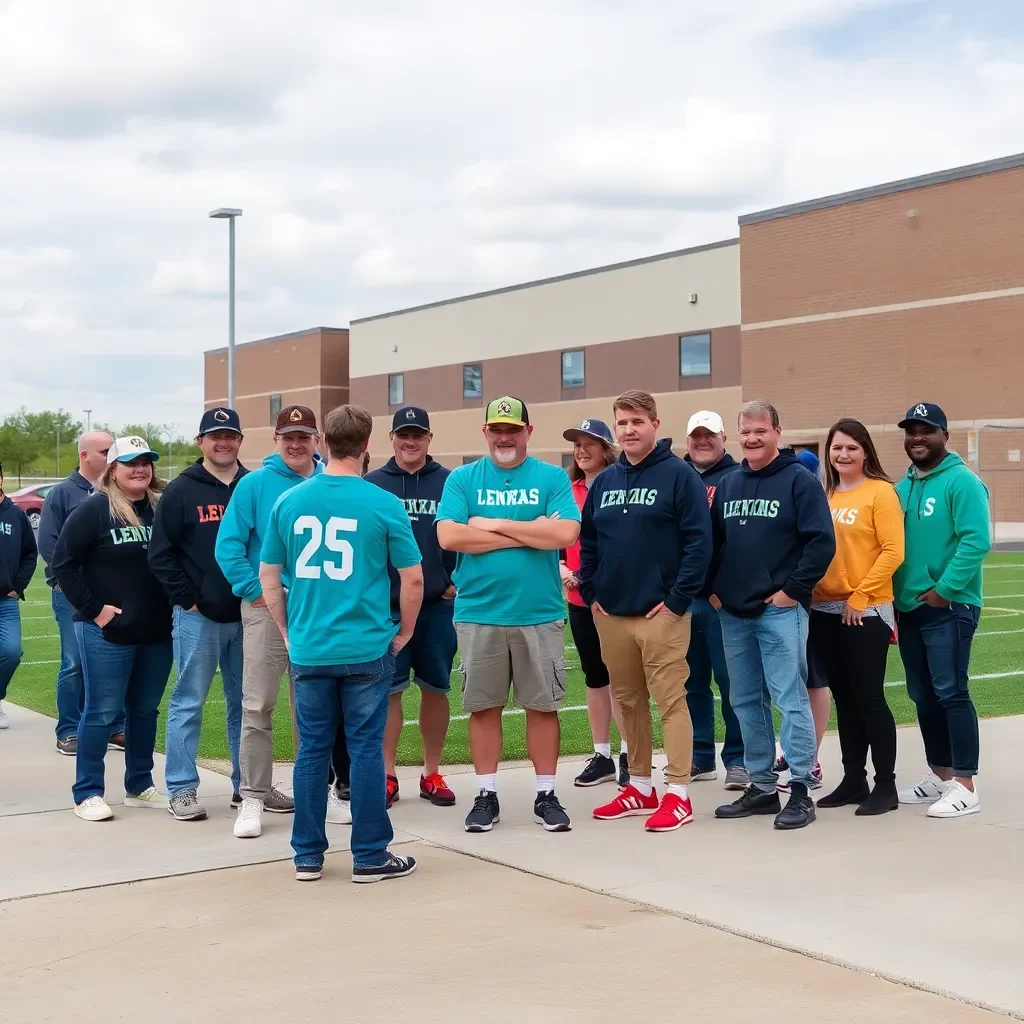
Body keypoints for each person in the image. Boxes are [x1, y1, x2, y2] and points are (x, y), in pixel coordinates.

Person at [260, 404, 423, 883]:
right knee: (365, 750)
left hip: (311, 645)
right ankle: (369, 855)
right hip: (366, 644)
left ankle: (307, 855)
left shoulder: (289, 501)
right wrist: (406, 631)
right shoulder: (383, 503)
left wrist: (288, 630)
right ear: (368, 445)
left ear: (324, 443)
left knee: (311, 750)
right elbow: (412, 579)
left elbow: (269, 576)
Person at [436, 396, 580, 834]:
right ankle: (486, 794)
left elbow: (566, 531)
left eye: (512, 429)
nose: (504, 437)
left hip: (538, 612)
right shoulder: (463, 478)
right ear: (485, 432)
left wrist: (489, 524)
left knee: (543, 706)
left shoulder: (551, 477)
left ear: (528, 432)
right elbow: (448, 535)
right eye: (496, 429)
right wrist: (529, 532)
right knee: (483, 707)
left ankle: (545, 794)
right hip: (480, 612)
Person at [579, 391, 712, 833]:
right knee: (628, 701)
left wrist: (676, 601)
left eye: (637, 421)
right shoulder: (605, 482)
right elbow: (591, 542)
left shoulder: (679, 476)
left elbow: (699, 543)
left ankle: (678, 794)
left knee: (671, 701)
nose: (629, 430)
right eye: (622, 423)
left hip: (662, 614)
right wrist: (592, 589)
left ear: (654, 423)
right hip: (611, 613)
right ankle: (639, 784)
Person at [710, 401, 835, 831]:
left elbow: (821, 543)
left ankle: (800, 788)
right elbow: (714, 542)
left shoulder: (800, 482)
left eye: (760, 430)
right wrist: (712, 590)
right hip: (733, 611)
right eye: (745, 432)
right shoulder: (728, 484)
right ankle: (762, 785)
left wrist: (791, 592)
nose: (752, 438)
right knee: (745, 700)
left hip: (779, 611)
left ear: (777, 432)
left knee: (790, 699)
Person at [51, 436, 173, 821]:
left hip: (155, 631)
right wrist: (95, 610)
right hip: (105, 631)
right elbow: (63, 565)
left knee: (145, 710)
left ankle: (139, 784)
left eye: (146, 462)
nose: (140, 469)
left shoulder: (159, 510)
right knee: (101, 712)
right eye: (130, 463)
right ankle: (87, 792)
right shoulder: (93, 510)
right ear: (112, 470)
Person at [216, 405, 323, 838]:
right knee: (257, 704)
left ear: (317, 440)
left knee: (314, 708)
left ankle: (317, 792)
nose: (296, 444)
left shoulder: (331, 482)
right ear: (275, 440)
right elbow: (229, 547)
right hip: (265, 611)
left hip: (319, 612)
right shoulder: (254, 485)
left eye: (304, 436)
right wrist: (259, 591)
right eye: (288, 437)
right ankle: (253, 797)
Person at [149, 408, 248, 820]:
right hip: (198, 617)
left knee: (248, 704)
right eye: (214, 436)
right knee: (189, 701)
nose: (222, 442)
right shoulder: (181, 490)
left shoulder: (253, 484)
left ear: (240, 440)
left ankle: (250, 788)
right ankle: (182, 788)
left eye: (230, 435)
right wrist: (188, 599)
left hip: (249, 614)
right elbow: (160, 555)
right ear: (200, 441)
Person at [893, 403, 990, 818]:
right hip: (909, 607)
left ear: (944, 436)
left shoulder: (962, 481)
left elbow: (975, 541)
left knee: (951, 692)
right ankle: (940, 774)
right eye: (911, 430)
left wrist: (945, 591)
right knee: (923, 694)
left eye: (926, 430)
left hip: (949, 605)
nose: (917, 437)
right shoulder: (904, 485)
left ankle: (965, 784)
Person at [809, 419, 904, 815]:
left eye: (851, 447)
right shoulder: (824, 493)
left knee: (869, 698)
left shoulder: (880, 493)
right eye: (836, 448)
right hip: (824, 610)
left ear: (865, 451)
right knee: (845, 700)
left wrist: (861, 595)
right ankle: (853, 780)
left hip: (864, 610)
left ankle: (886, 786)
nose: (843, 454)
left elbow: (893, 551)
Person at [365, 406, 458, 809]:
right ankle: (387, 775)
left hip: (437, 606)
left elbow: (464, 534)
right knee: (389, 692)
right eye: (404, 434)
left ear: (429, 439)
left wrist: (458, 579)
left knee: (435, 689)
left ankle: (431, 773)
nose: (411, 441)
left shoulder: (450, 484)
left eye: (418, 434)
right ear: (392, 438)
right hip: (387, 608)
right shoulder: (372, 484)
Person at [37, 430, 125, 754]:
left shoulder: (119, 493)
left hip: (113, 594)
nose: (111, 456)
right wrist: (81, 580)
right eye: (105, 451)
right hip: (71, 592)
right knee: (74, 662)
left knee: (115, 660)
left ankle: (116, 726)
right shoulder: (61, 494)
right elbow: (49, 544)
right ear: (85, 455)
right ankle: (69, 730)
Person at [559, 418, 626, 788]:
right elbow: (556, 540)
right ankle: (602, 755)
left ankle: (630, 753)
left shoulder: (620, 484)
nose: (582, 450)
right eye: (577, 444)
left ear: (606, 449)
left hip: (614, 599)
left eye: (590, 443)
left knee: (622, 678)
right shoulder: (568, 490)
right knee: (595, 677)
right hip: (578, 598)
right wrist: (562, 567)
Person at [682, 411, 747, 790]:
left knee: (732, 682)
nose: (702, 441)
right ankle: (700, 756)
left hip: (721, 600)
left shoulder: (736, 477)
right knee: (691, 684)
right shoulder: (677, 477)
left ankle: (738, 760)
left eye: (710, 435)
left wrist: (722, 588)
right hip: (684, 598)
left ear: (724, 438)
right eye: (696, 436)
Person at [775, 446, 828, 793]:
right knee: (789, 682)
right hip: (802, 599)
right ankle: (791, 752)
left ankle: (811, 759)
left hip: (816, 600)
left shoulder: (811, 491)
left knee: (812, 680)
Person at [0, 461, 38, 728]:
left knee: (12, 652)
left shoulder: (15, 515)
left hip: (5, 599)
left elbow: (30, 553)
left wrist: (17, 586)